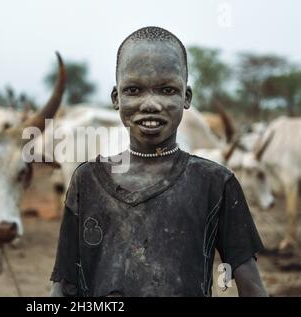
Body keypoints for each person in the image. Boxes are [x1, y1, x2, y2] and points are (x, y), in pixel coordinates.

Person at [50, 26, 267, 297]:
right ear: (116, 98)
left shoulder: (215, 183)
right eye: (134, 90)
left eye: (166, 90)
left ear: (186, 97)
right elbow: (62, 286)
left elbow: (252, 288)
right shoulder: (87, 181)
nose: (150, 104)